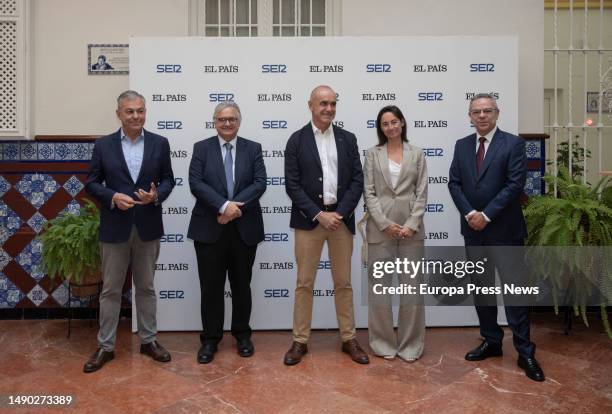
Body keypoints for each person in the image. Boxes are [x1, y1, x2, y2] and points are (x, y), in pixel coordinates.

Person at [448, 93, 545, 382]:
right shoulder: (462, 146)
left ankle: (525, 351)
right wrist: (469, 215)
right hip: (473, 232)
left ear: (497, 113)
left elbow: (515, 184)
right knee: (482, 289)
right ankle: (491, 340)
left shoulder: (513, 144)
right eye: (476, 111)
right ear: (469, 115)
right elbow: (454, 183)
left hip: (505, 232)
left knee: (515, 293)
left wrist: (486, 215)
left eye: (487, 111)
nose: (481, 116)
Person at [84, 90, 175, 373]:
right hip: (115, 227)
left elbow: (169, 181)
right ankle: (105, 346)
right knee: (111, 290)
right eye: (130, 111)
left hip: (147, 226)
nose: (136, 116)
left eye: (140, 111)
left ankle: (149, 341)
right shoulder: (103, 145)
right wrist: (112, 197)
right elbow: (92, 182)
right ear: (119, 114)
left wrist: (155, 196)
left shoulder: (160, 143)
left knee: (146, 287)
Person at [283, 85, 368, 365]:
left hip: (340, 222)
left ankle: (348, 338)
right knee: (304, 283)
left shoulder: (348, 138)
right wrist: (319, 214)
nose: (328, 109)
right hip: (310, 222)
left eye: (332, 103)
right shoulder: (296, 140)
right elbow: (292, 186)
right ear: (310, 105)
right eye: (323, 104)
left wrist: (340, 213)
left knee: (343, 282)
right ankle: (300, 341)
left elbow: (358, 179)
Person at [187, 102, 266, 364]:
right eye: (222, 119)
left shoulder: (253, 148)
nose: (227, 123)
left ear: (239, 122)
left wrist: (232, 209)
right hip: (210, 227)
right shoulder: (201, 148)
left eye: (232, 119)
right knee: (211, 287)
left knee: (242, 285)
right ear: (214, 122)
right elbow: (196, 183)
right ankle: (210, 339)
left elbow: (259, 183)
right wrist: (222, 206)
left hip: (244, 228)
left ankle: (242, 335)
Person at [363, 105, 428, 362]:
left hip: (411, 232)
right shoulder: (371, 154)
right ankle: (382, 343)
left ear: (402, 123)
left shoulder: (418, 154)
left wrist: (411, 224)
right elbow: (369, 192)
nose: (390, 127)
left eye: (394, 122)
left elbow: (421, 191)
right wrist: (383, 223)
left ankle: (411, 344)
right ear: (381, 128)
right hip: (381, 232)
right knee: (379, 290)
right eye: (384, 124)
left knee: (412, 290)